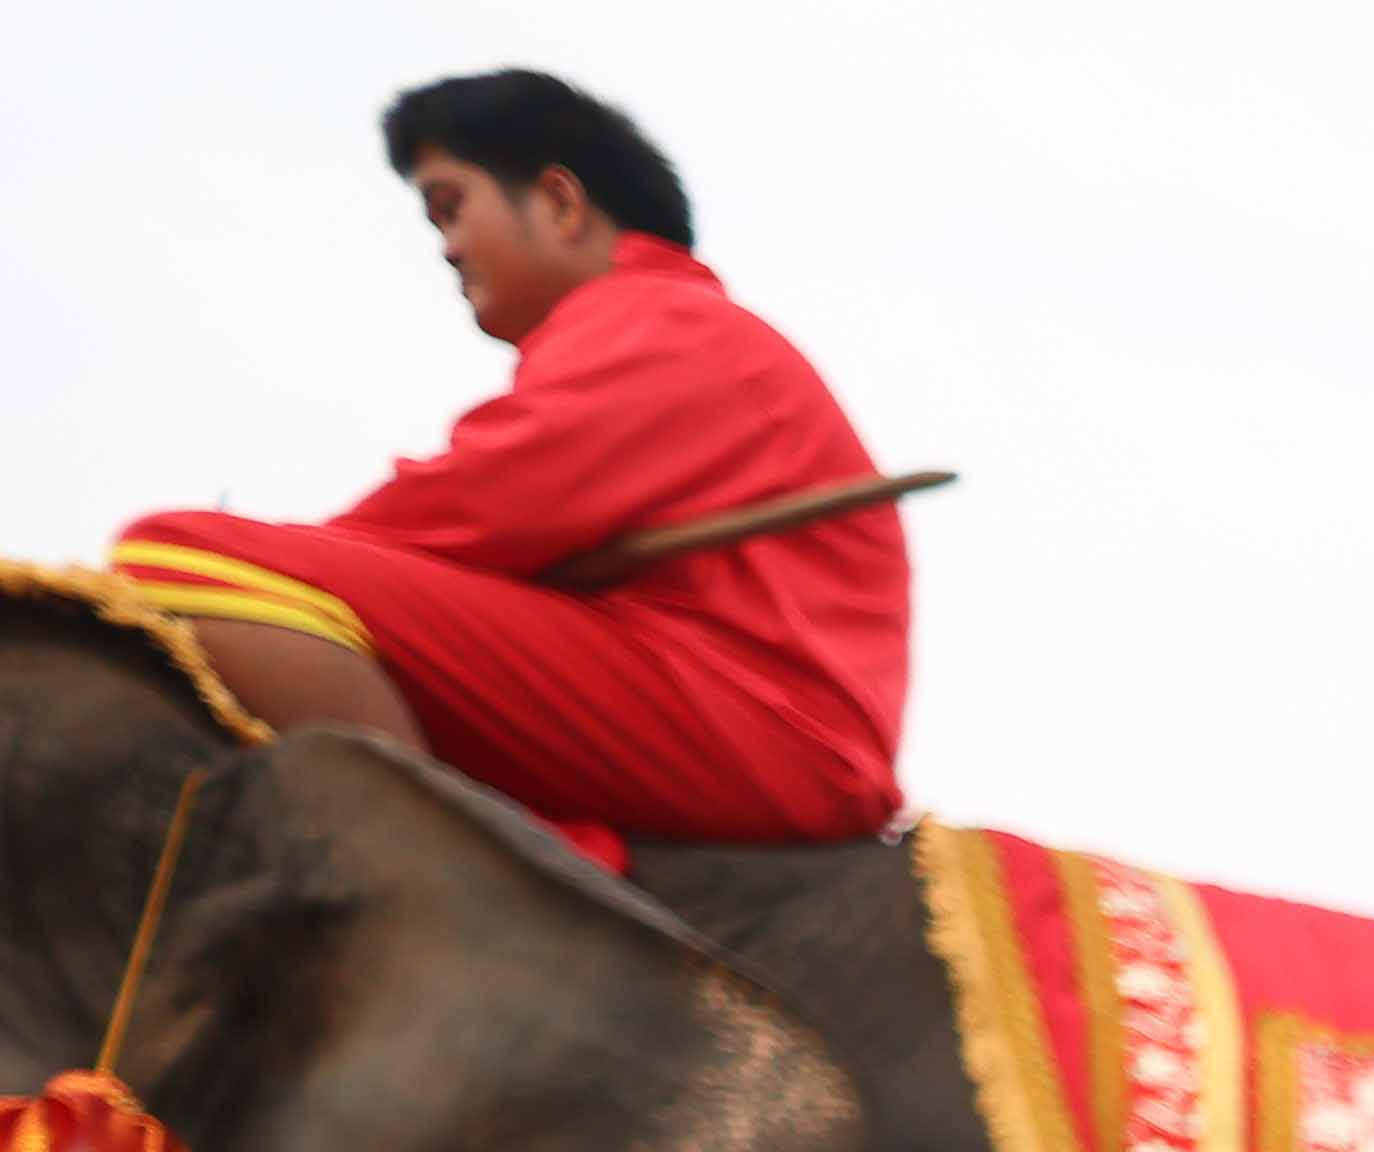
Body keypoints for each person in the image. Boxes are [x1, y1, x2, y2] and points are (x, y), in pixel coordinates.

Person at [108, 72, 908, 846]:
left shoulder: (664, 320)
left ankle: (413, 882)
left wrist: (283, 568)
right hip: (721, 703)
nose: (448, 250)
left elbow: (478, 506)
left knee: (182, 553)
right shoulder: (662, 325)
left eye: (451, 208)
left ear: (560, 201)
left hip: (762, 718)